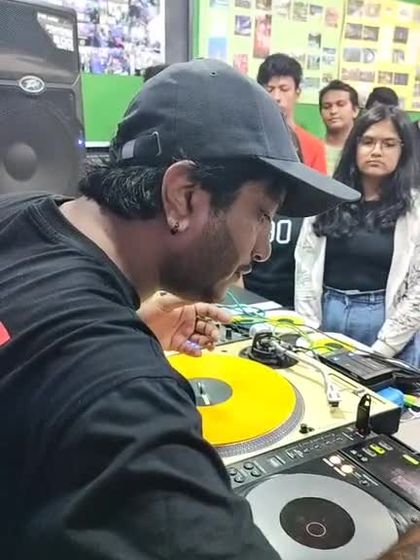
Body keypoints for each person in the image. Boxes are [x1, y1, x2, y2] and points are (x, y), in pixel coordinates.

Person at [0, 59, 357, 558]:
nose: (262, 250)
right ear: (183, 196)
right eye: (261, 215)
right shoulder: (127, 395)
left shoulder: (19, 213)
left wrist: (126, 325)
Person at [295, 104, 420, 366]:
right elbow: (305, 268)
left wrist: (383, 349)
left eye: (388, 144)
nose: (377, 151)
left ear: (403, 150)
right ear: (354, 146)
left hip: (387, 327)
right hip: (327, 318)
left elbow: (417, 293)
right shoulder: (327, 199)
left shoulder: (414, 211)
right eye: (368, 142)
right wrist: (309, 331)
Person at [244, 53, 327, 308]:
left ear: (297, 92)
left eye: (284, 88)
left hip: (292, 261)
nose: (277, 96)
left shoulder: (313, 146)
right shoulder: (248, 141)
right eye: (269, 89)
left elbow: (316, 204)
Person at [319, 79, 359, 175]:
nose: (333, 111)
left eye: (340, 104)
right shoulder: (311, 149)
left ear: (355, 110)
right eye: (327, 106)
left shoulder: (363, 151)